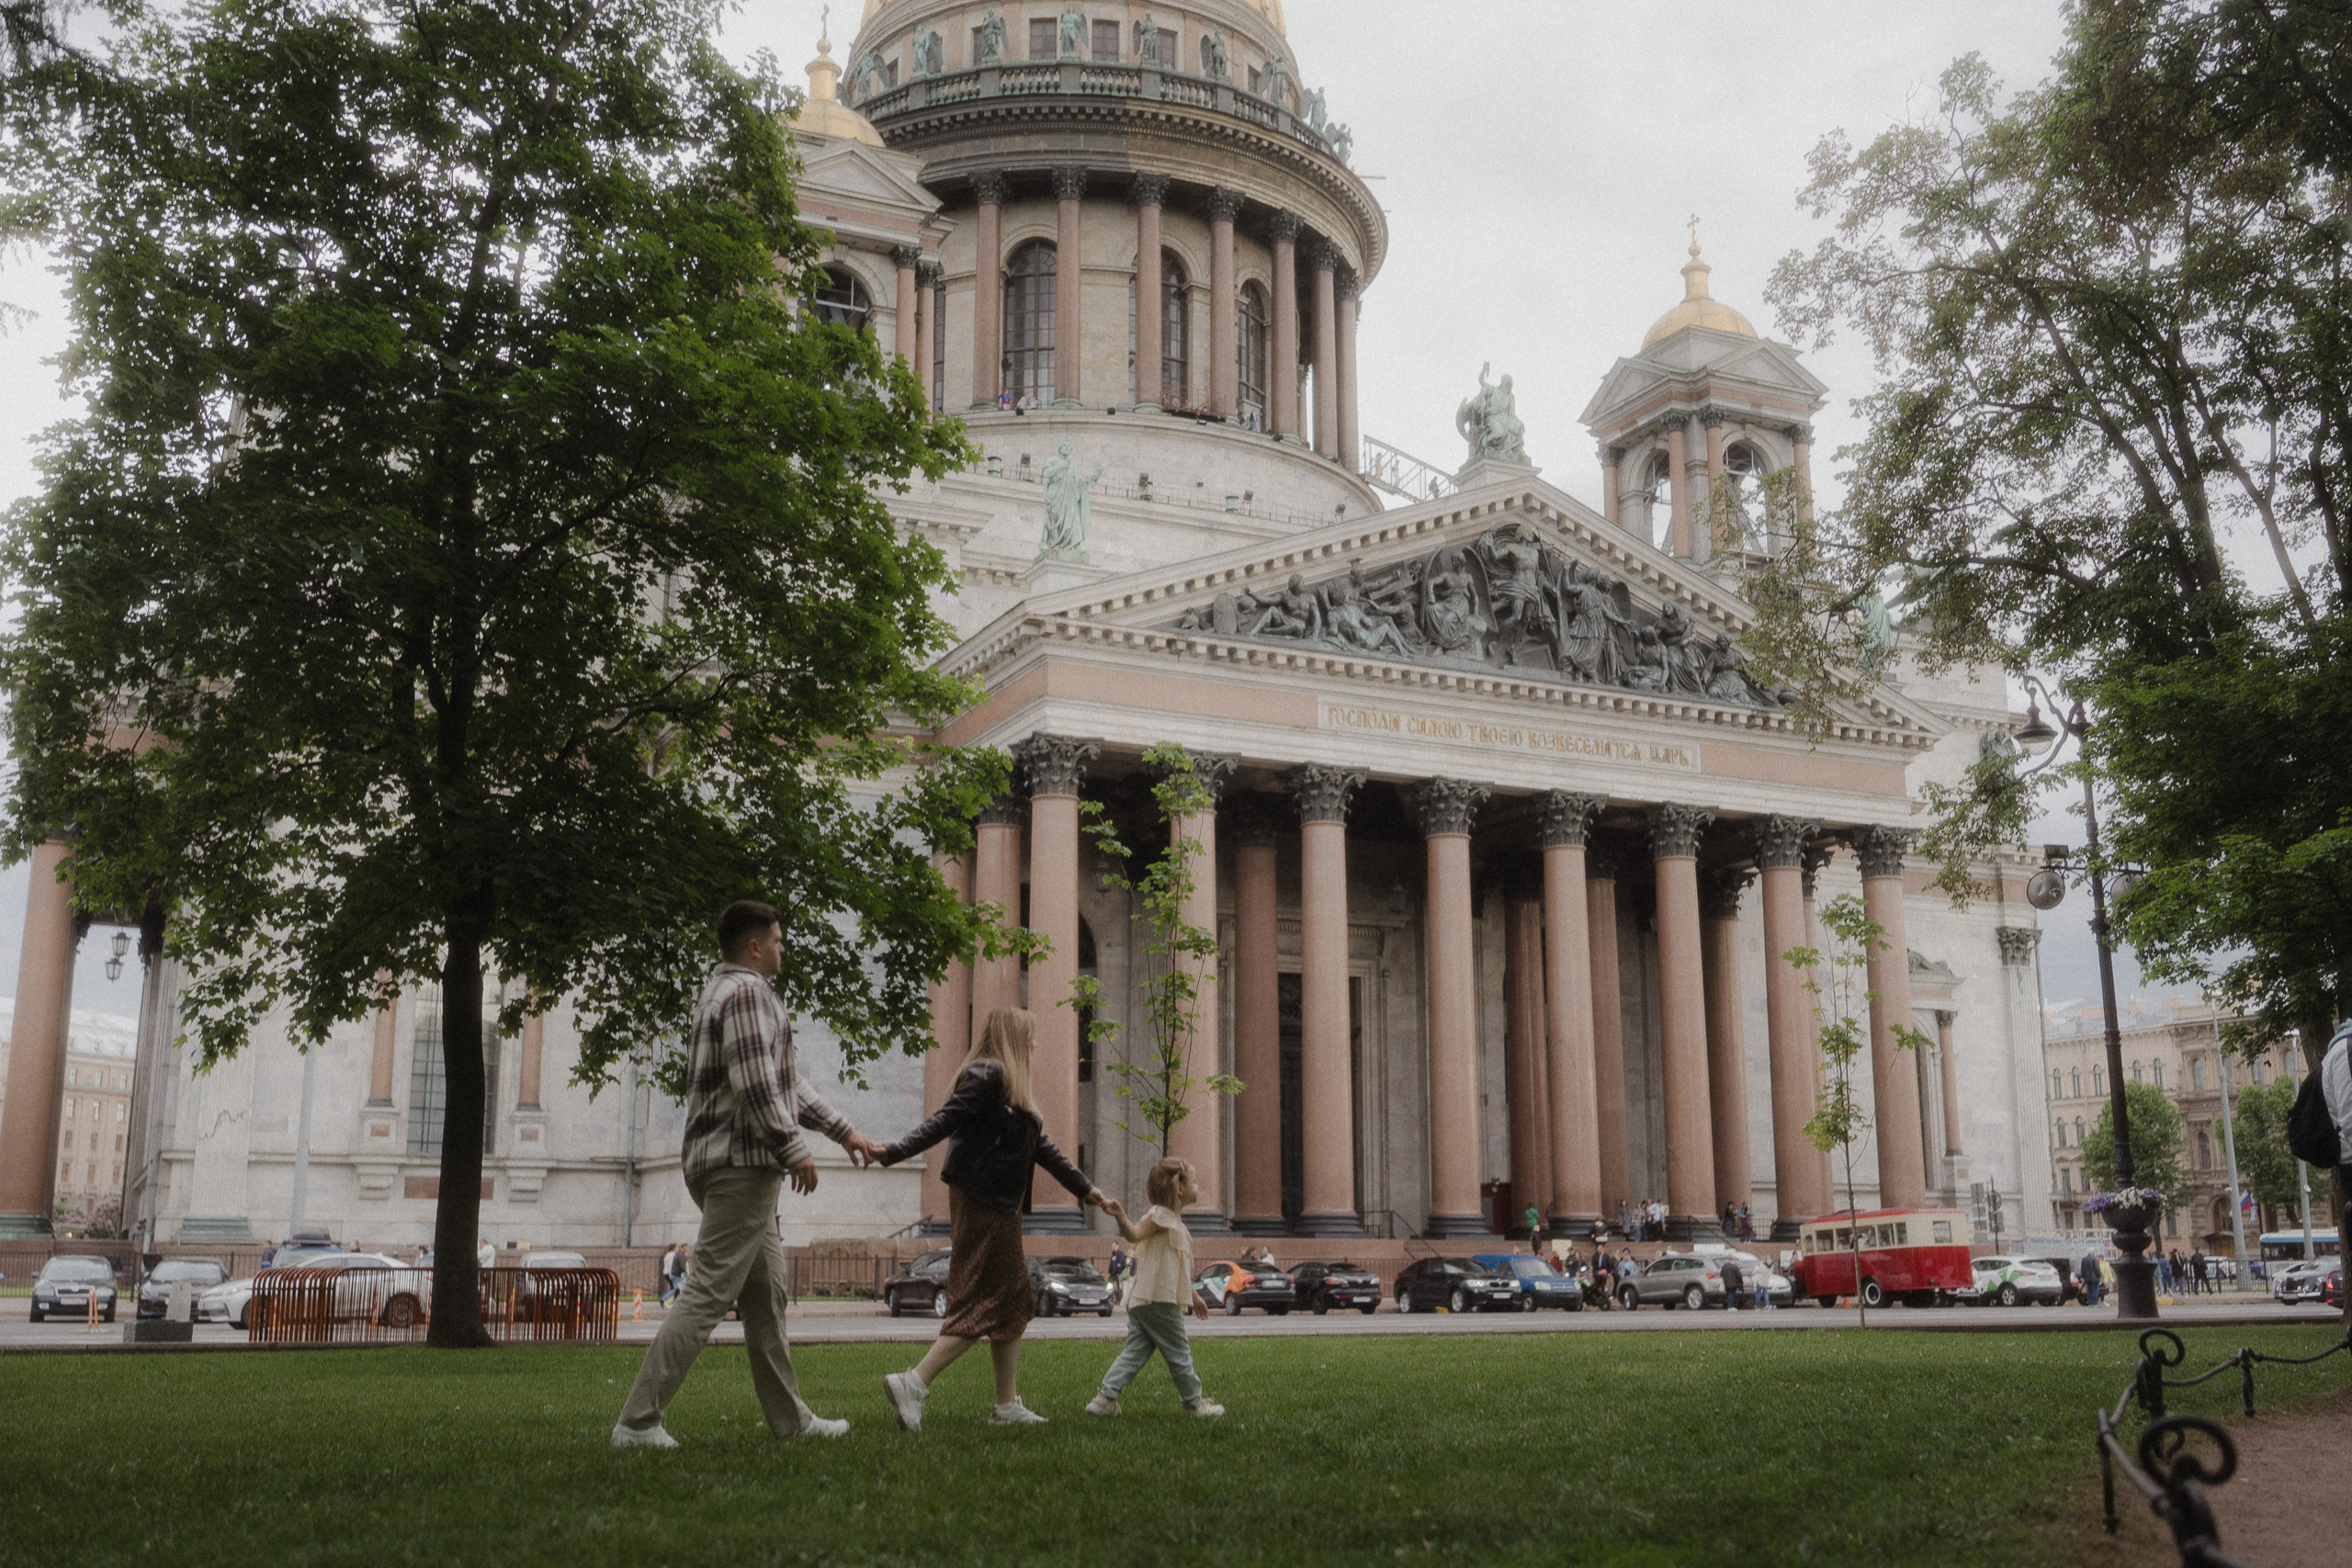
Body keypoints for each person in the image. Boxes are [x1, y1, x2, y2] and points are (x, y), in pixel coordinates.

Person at [612, 899, 886, 1450]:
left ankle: (791, 1420)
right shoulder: (748, 994)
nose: (784, 949)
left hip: (731, 1161)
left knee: (767, 1295)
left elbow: (785, 1083)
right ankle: (638, 1421)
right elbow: (756, 1084)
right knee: (710, 1290)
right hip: (742, 1164)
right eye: (779, 941)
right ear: (755, 946)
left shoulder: (722, 993)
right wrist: (792, 1148)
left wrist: (844, 1132)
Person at [877, 1008, 1108, 1431]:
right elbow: (945, 1121)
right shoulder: (988, 1075)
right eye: (1032, 1037)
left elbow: (1043, 1148)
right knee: (986, 1301)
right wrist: (894, 1152)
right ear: (1015, 1037)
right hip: (984, 1200)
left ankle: (1005, 1405)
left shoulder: (1008, 1085)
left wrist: (1085, 1189)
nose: (1037, 1045)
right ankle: (914, 1381)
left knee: (1013, 1301)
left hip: (998, 1202)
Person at [1086, 1156, 1223, 1419]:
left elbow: (1177, 1268)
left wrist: (1194, 1296)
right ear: (1179, 1188)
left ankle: (1105, 1399)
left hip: (1144, 1301)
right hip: (1159, 1301)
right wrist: (1120, 1215)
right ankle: (1195, 1404)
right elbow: (1134, 1235)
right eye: (1193, 1181)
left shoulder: (1173, 1221)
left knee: (1134, 1353)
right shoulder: (1161, 1216)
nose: (1198, 1186)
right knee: (1180, 1353)